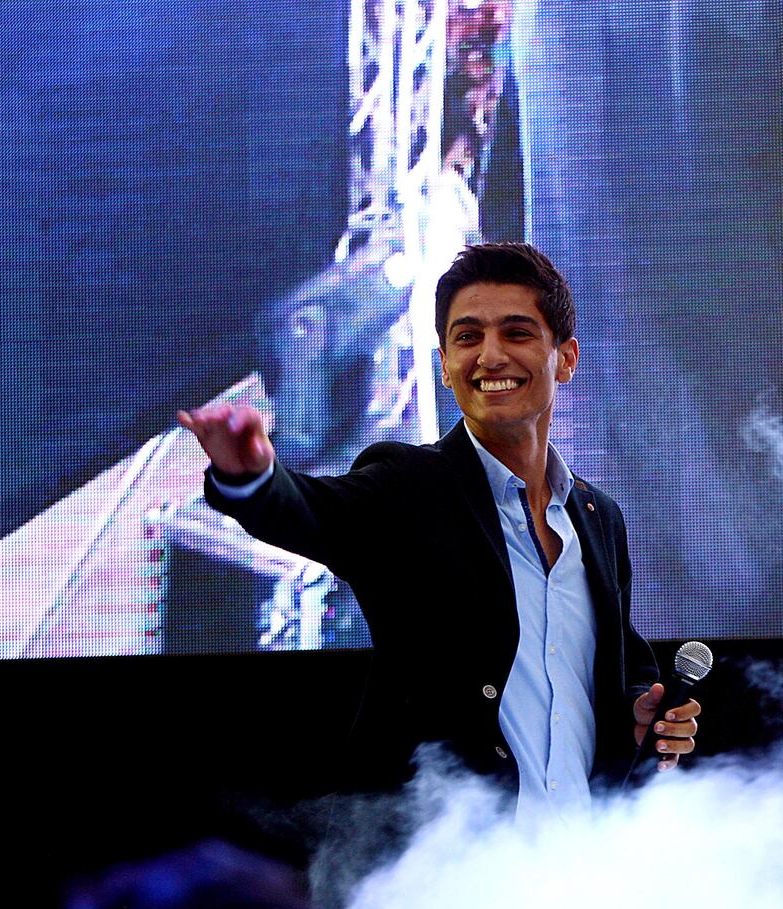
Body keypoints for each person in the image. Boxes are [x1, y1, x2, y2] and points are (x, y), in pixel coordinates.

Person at [177, 242, 700, 818]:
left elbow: (622, 667)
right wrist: (251, 475)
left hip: (574, 860)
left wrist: (640, 712)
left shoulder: (599, 519)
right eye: (468, 337)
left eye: (517, 333)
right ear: (447, 367)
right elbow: (311, 511)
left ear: (565, 358)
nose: (491, 355)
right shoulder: (412, 485)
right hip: (442, 865)